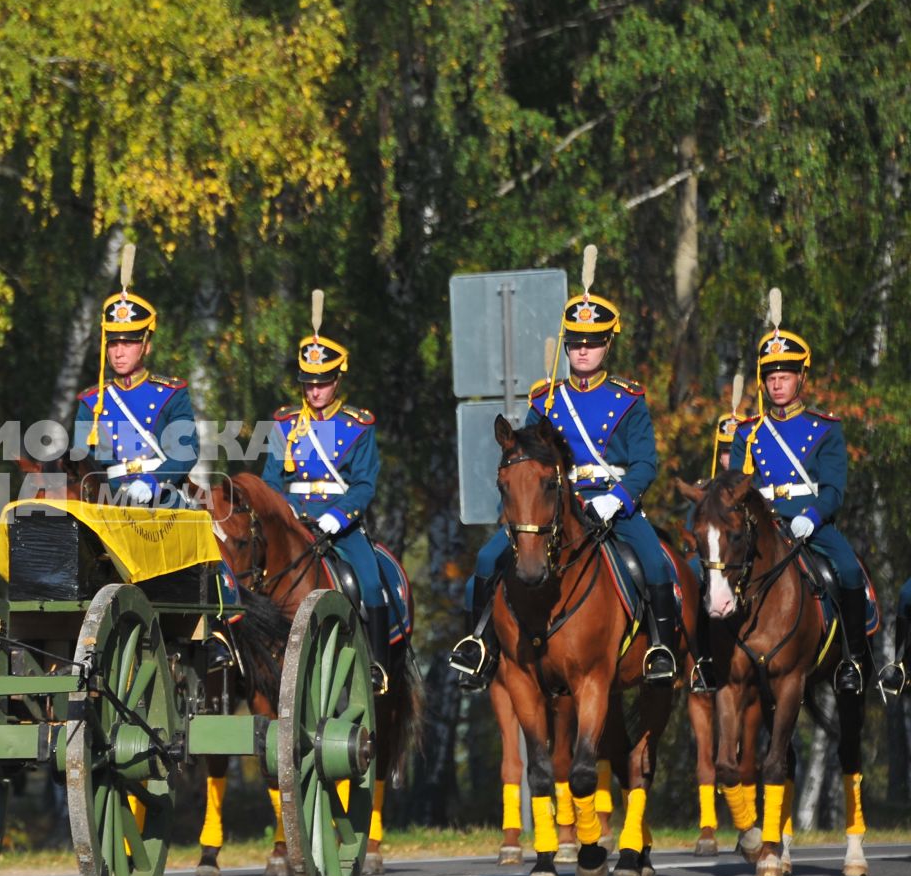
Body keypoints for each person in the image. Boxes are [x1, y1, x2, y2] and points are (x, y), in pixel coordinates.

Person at [448, 282, 680, 687]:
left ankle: (660, 649)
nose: (582, 351)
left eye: (591, 343)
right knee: (486, 561)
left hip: (612, 502)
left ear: (607, 344)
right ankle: (479, 644)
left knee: (656, 563)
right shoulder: (546, 400)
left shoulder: (628, 398)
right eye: (575, 343)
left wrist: (617, 499)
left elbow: (646, 463)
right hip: (553, 502)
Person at [728, 316, 874, 693]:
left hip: (812, 523)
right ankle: (712, 658)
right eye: (771, 376)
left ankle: (853, 660)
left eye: (786, 375)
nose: (777, 383)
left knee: (848, 570)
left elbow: (833, 490)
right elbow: (738, 487)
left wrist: (812, 516)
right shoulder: (748, 432)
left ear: (801, 378)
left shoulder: (825, 427)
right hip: (765, 524)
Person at [262, 304, 394, 672]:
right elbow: (271, 478)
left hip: (340, 524)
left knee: (370, 585)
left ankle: (379, 664)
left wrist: (339, 516)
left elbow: (365, 483)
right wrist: (280, 511)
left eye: (323, 382)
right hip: (293, 520)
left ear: (337, 380)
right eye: (309, 382)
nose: (315, 391)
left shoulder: (358, 425)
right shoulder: (285, 423)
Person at [71, 289, 200, 507]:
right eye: (113, 343)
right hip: (108, 501)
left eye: (128, 343)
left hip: (162, 497)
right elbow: (83, 462)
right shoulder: (93, 400)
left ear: (146, 346)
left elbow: (185, 451)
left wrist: (154, 482)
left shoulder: (171, 394)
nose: (118, 352)